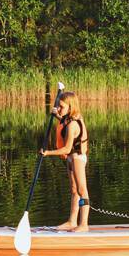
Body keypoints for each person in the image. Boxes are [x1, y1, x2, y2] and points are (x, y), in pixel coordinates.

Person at [39, 91, 90, 232]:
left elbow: (67, 149)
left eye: (61, 106)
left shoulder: (73, 124)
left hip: (77, 157)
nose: (59, 108)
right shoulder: (68, 118)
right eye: (59, 106)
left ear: (70, 106)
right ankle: (72, 222)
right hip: (70, 158)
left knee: (81, 189)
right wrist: (56, 115)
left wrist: (48, 152)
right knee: (74, 190)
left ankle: (84, 224)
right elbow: (63, 121)